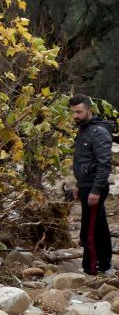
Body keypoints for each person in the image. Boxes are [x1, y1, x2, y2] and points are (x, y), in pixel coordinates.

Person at [69, 94, 114, 276]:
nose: (75, 116)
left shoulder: (99, 133)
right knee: (99, 226)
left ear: (90, 110)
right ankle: (104, 265)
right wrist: (79, 185)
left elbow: (104, 164)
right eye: (73, 112)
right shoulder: (84, 130)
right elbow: (82, 161)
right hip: (86, 186)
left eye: (79, 112)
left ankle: (91, 269)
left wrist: (95, 190)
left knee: (89, 231)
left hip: (95, 188)